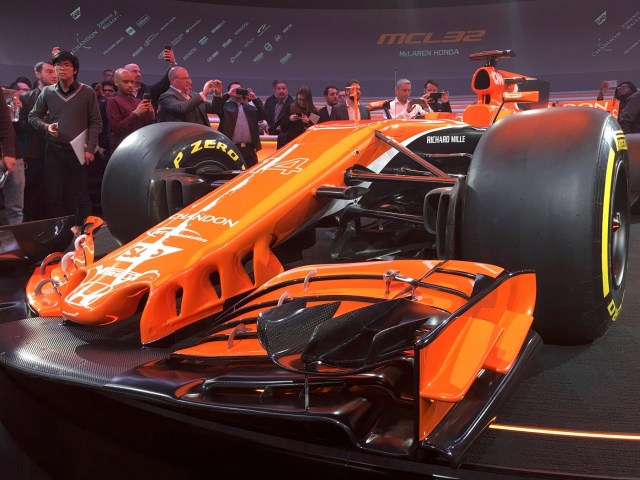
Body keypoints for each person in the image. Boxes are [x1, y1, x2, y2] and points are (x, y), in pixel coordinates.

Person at [28, 49, 102, 227]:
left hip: (78, 151)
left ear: (75, 70)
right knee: (54, 196)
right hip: (54, 150)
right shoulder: (47, 92)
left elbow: (96, 122)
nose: (61, 68)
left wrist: (90, 148)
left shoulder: (87, 92)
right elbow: (32, 116)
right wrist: (46, 127)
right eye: (58, 65)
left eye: (66, 65)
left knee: (80, 195)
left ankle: (86, 233)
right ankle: (61, 234)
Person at [17, 61, 57, 221]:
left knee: (53, 197)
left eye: (55, 71)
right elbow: (19, 126)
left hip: (56, 154)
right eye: (49, 71)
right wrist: (42, 124)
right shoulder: (26, 98)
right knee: (33, 198)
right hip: (34, 155)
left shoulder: (61, 97)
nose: (54, 75)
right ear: (38, 74)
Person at [213, 82, 267, 168]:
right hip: (231, 149)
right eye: (234, 90)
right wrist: (227, 95)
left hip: (249, 150)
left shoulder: (250, 108)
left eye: (239, 89)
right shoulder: (225, 108)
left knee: (252, 175)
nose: (237, 92)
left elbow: (264, 115)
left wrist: (254, 99)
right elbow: (215, 108)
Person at [107, 68, 156, 151]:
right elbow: (116, 129)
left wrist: (152, 116)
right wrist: (135, 114)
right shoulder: (113, 101)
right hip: (124, 148)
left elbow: (148, 128)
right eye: (126, 82)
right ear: (116, 82)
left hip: (141, 145)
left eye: (132, 82)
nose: (130, 85)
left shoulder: (139, 101)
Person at [124, 46, 176, 110]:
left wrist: (172, 64)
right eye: (134, 71)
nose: (139, 74)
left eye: (139, 72)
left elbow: (165, 82)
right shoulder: (120, 94)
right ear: (126, 74)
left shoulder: (150, 91)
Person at [0, 86, 21, 225]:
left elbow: (4, 121)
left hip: (11, 154)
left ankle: (17, 245)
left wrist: (8, 152)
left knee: (15, 209)